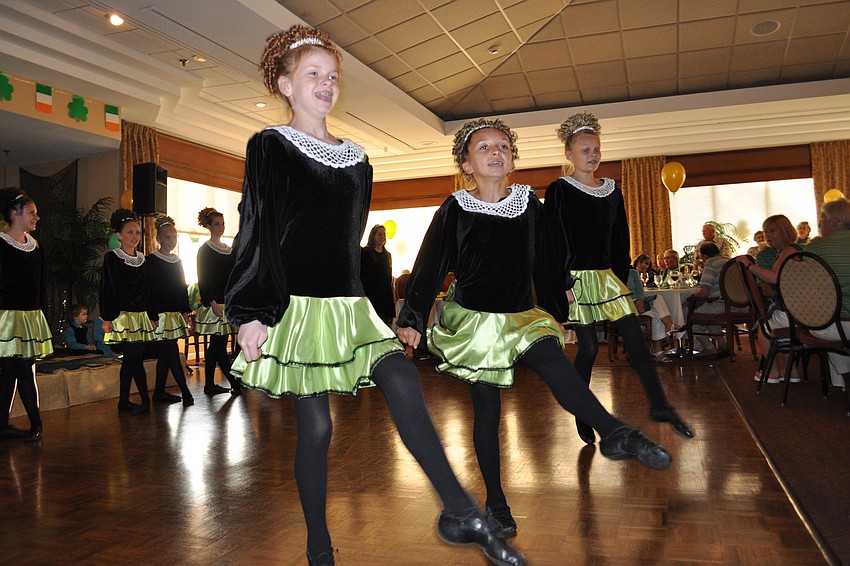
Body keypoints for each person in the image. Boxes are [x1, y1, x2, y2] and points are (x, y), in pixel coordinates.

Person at [224, 26, 526, 566]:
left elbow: (349, 245)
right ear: (285, 84)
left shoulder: (358, 161)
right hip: (296, 309)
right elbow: (259, 229)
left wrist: (375, 306)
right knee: (317, 429)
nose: (326, 83)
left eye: (332, 76)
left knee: (404, 378)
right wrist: (251, 310)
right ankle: (319, 546)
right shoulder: (269, 145)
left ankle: (460, 509)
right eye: (313, 74)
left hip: (351, 306)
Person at [397, 117, 672, 536]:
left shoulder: (528, 204)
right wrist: (412, 317)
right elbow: (429, 263)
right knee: (487, 413)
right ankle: (496, 501)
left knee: (557, 365)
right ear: (467, 164)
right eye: (485, 147)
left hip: (523, 315)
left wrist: (557, 307)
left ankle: (615, 432)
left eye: (503, 147)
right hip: (476, 323)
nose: (496, 152)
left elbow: (548, 258)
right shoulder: (456, 208)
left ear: (512, 160)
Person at [543, 111, 694, 443]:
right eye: (585, 150)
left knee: (635, 336)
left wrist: (622, 278)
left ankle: (659, 405)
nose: (593, 155)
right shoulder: (559, 190)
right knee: (587, 348)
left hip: (608, 278)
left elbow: (620, 238)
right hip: (576, 280)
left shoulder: (612, 190)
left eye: (596, 149)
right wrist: (562, 285)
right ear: (569, 154)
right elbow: (553, 240)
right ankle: (584, 412)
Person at [0, 188, 52, 442]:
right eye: (31, 212)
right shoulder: (1, 244)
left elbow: (40, 286)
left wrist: (42, 315)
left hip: (29, 318)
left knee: (19, 369)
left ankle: (27, 424)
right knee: (12, 370)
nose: (36, 217)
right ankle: (28, 424)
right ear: (15, 214)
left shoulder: (34, 246)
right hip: (7, 319)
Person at [100, 208, 157, 415]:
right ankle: (145, 401)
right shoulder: (112, 258)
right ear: (119, 235)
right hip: (123, 317)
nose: (135, 236)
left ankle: (124, 401)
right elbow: (108, 289)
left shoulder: (143, 260)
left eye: (137, 232)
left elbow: (149, 290)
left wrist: (152, 316)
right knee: (134, 358)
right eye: (130, 232)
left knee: (131, 359)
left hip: (140, 317)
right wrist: (107, 318)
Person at [735, 214, 802, 383]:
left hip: (797, 311)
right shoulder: (793, 250)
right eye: (766, 232)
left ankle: (772, 372)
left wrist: (749, 265)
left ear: (785, 231)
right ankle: (792, 371)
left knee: (764, 328)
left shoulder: (789, 250)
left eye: (773, 231)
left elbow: (773, 277)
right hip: (801, 309)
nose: (768, 235)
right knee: (778, 324)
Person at [796, 198, 850, 388]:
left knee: (829, 319)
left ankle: (845, 379)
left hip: (830, 325)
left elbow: (802, 290)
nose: (820, 223)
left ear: (834, 221)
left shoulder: (814, 249)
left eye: (823, 219)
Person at [147, 216, 194, 406]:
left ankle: (159, 392)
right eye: (167, 237)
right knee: (171, 352)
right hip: (160, 315)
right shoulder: (152, 260)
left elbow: (181, 287)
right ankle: (185, 391)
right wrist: (152, 314)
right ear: (158, 239)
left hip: (174, 315)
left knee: (166, 354)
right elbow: (150, 289)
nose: (171, 241)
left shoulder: (177, 261)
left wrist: (185, 310)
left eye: (174, 237)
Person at [196, 207, 242, 396]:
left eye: (222, 224)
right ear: (208, 226)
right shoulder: (205, 250)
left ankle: (209, 384)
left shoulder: (228, 250)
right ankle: (233, 382)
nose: (221, 227)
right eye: (217, 224)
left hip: (227, 303)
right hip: (215, 304)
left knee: (216, 346)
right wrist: (212, 302)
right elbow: (203, 278)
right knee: (219, 345)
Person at [687, 243, 735, 355]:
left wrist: (690, 297)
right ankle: (722, 345)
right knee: (707, 311)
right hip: (740, 306)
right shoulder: (731, 262)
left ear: (705, 256)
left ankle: (709, 348)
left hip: (722, 306)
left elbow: (704, 292)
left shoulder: (711, 263)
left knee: (688, 313)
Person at [626, 263, 679, 361]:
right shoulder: (611, 273)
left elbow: (640, 290)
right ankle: (658, 348)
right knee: (657, 314)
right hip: (624, 305)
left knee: (657, 300)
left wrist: (640, 301)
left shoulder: (632, 272)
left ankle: (667, 325)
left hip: (638, 302)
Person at [360, 224, 395, 326]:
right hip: (370, 296)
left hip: (385, 298)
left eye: (384, 234)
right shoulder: (365, 253)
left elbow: (388, 278)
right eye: (380, 234)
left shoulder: (387, 255)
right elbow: (362, 275)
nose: (382, 237)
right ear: (373, 236)